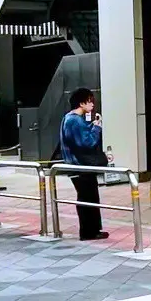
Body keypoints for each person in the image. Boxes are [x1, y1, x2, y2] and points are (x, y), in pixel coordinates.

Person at [59, 88, 108, 240]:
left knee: (88, 196)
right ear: (81, 103)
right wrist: (97, 128)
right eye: (89, 101)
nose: (92, 104)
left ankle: (92, 230)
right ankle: (89, 232)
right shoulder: (74, 120)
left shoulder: (69, 118)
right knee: (88, 198)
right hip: (80, 166)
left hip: (78, 165)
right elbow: (86, 143)